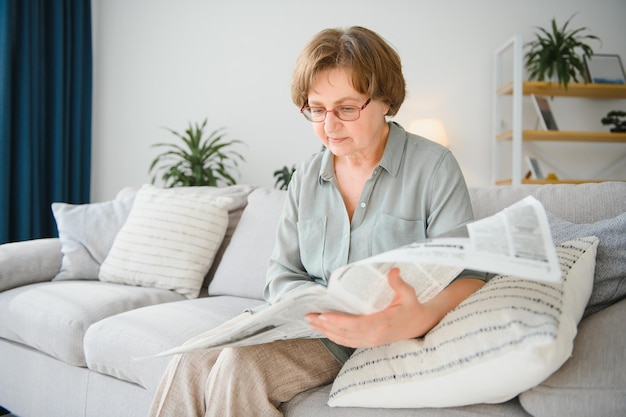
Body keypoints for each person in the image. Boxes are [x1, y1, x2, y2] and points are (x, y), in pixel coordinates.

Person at [148, 26, 487, 417]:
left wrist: (419, 315)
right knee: (189, 360)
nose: (329, 126)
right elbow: (280, 273)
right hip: (309, 328)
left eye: (346, 108)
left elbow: (470, 273)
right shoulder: (306, 176)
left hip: (374, 338)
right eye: (317, 109)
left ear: (385, 102)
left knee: (241, 368)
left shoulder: (433, 166)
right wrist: (310, 308)